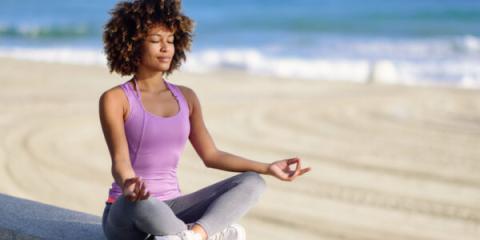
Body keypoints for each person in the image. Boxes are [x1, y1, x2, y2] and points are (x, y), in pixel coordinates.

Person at [98, 1, 311, 240]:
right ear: (133, 44)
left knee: (253, 182)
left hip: (172, 210)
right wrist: (129, 184)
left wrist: (267, 168)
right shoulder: (116, 99)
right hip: (128, 212)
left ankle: (195, 235)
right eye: (156, 41)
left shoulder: (186, 97)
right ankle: (204, 233)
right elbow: (120, 161)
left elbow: (211, 155)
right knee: (140, 203)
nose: (166, 48)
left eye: (170, 41)